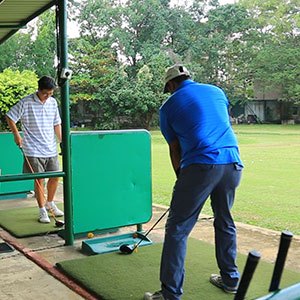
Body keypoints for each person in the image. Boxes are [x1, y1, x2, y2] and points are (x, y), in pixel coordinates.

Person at [144, 64, 243, 300]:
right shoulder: (217, 91)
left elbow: (175, 148)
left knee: (177, 229)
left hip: (200, 165)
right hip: (232, 163)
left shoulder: (168, 107)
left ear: (170, 85)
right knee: (225, 220)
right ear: (188, 77)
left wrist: (182, 180)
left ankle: (170, 294)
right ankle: (230, 279)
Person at [6, 76, 64, 223]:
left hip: (50, 147)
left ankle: (50, 203)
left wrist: (62, 140)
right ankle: (42, 210)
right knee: (39, 180)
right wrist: (16, 135)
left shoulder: (52, 102)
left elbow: (56, 123)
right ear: (39, 90)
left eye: (51, 93)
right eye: (45, 93)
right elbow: (10, 117)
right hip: (32, 148)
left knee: (55, 177)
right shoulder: (26, 102)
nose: (48, 96)